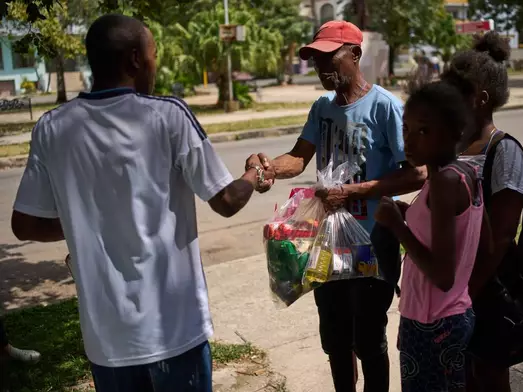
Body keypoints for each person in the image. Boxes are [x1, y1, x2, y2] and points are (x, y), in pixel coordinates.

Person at [10, 14, 270, 392]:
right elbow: (226, 201)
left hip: (107, 342)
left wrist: (86, 220)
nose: (155, 64)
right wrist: (253, 175)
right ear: (134, 60)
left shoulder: (53, 127)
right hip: (175, 332)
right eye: (153, 54)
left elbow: (26, 224)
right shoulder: (168, 116)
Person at [254, 20, 426, 392]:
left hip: (373, 242)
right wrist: (268, 170)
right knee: (335, 340)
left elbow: (416, 174)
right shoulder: (322, 109)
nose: (321, 68)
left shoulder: (384, 108)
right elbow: (299, 159)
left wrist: (352, 192)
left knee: (368, 338)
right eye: (315, 60)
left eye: (328, 57)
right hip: (328, 243)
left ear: (355, 54)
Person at [374, 81, 491, 392]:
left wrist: (398, 226)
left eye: (423, 131)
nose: (410, 141)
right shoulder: (465, 175)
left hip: (430, 322)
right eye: (407, 129)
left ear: (454, 133)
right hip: (455, 314)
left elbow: (442, 275)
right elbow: (484, 245)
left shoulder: (442, 183)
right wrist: (408, 215)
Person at [442, 32, 523, 392]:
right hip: (453, 287)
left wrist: (465, 297)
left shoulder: (505, 152)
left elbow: (499, 239)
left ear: (479, 99)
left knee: (489, 375)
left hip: (487, 289)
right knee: (461, 375)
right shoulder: (453, 149)